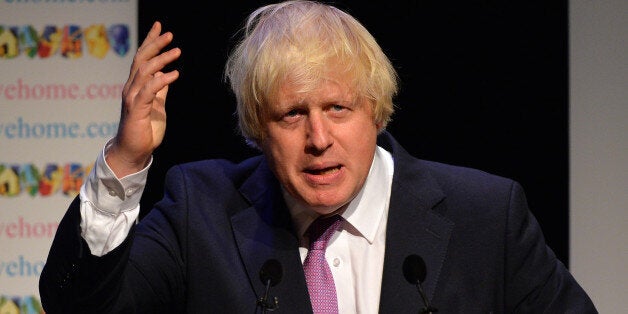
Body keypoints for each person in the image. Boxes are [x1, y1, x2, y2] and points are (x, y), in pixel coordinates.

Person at [39, 1, 597, 313]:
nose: (318, 138)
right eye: (291, 115)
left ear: (377, 110)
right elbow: (81, 312)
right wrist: (124, 161)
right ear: (258, 128)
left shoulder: (486, 216)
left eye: (337, 108)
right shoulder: (198, 212)